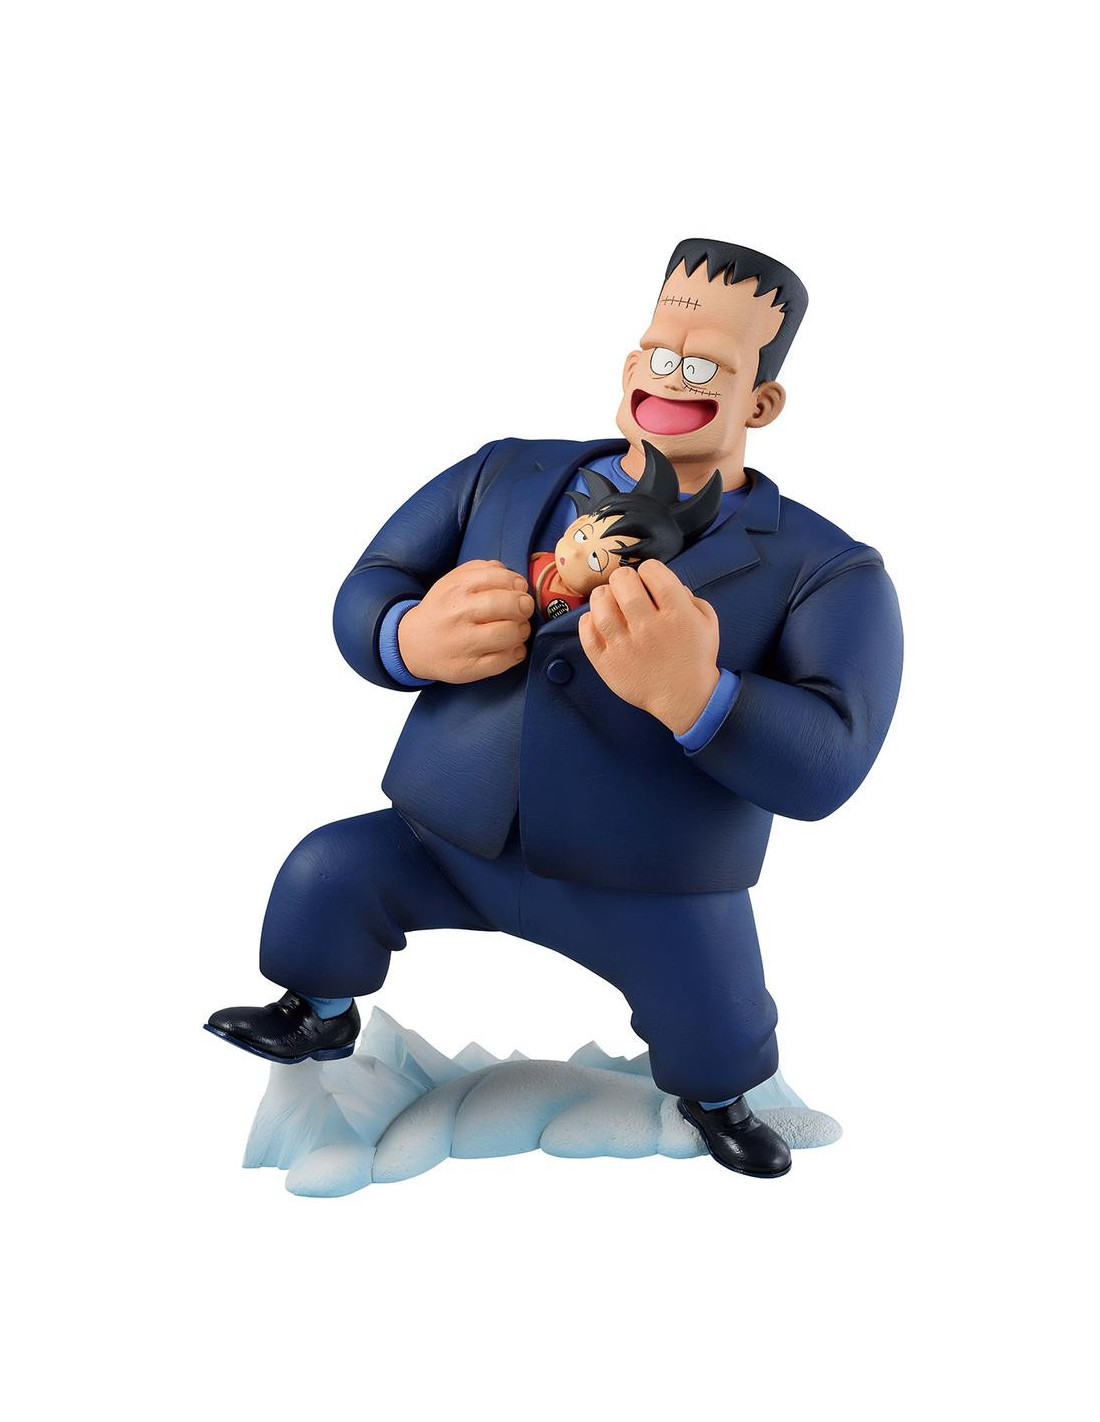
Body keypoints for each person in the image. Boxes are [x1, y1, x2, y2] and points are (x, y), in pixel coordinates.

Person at [206, 238, 903, 1179]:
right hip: (448, 832)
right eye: (659, 352)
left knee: (715, 1019)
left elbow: (829, 761)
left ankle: (718, 1103)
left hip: (652, 877)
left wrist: (701, 698)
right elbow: (372, 582)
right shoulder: (504, 474)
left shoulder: (827, 570)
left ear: (761, 403)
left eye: (705, 367)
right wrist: (408, 636)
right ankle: (319, 1015)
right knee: (325, 875)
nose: (671, 377)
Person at [529, 439, 721, 620]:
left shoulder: (594, 606)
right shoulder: (542, 560)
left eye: (596, 559)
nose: (575, 552)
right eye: (582, 535)